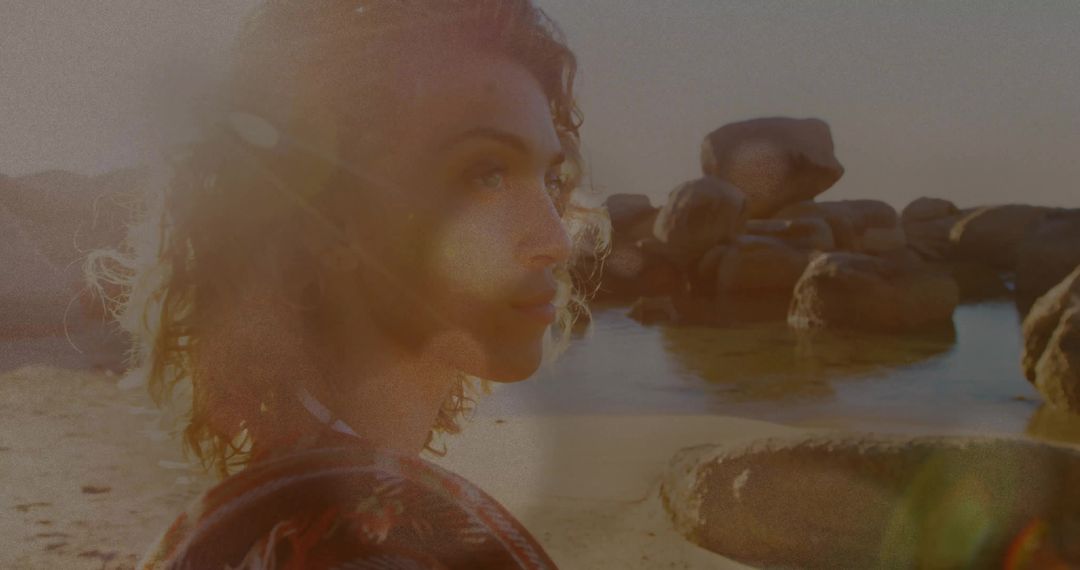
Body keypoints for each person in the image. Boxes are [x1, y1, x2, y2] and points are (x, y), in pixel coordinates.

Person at [87, 0, 610, 567]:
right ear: (329, 220)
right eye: (487, 173)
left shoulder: (278, 505)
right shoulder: (358, 543)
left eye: (550, 178)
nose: (555, 239)